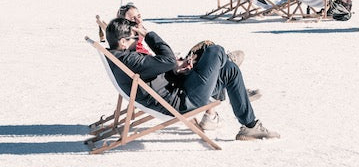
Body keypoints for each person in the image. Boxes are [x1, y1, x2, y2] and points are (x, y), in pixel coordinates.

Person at [104, 15, 278, 140]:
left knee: (230, 70)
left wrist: (176, 72)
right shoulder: (130, 59)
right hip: (182, 102)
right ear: (123, 41)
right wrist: (148, 34)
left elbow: (159, 73)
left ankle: (250, 126)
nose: (138, 40)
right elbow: (168, 59)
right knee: (215, 50)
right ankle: (224, 67)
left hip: (177, 90)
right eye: (135, 37)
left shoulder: (121, 57)